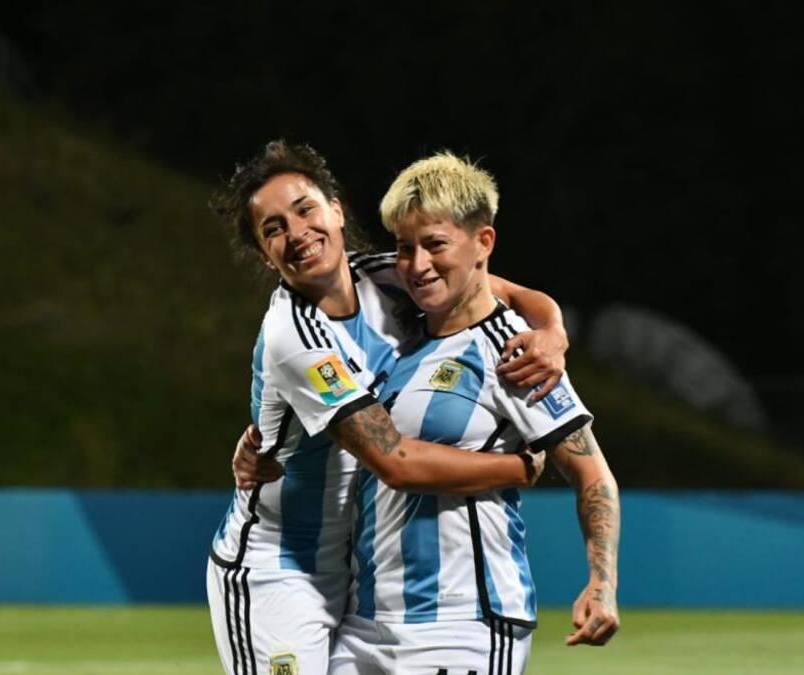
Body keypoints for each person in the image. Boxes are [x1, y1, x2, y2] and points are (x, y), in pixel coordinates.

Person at [207, 141, 572, 675]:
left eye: (305, 209)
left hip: (354, 570)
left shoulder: (388, 275)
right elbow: (394, 460)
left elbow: (507, 293)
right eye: (274, 229)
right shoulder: (294, 334)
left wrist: (554, 332)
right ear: (266, 255)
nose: (297, 233)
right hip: (277, 571)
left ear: (336, 209)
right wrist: (519, 467)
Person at [327, 152, 621, 675]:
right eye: (404, 247)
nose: (417, 266)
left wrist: (602, 583)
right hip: (368, 623)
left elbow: (591, 473)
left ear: (483, 243)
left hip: (462, 627)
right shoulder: (400, 342)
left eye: (435, 244)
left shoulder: (515, 351)